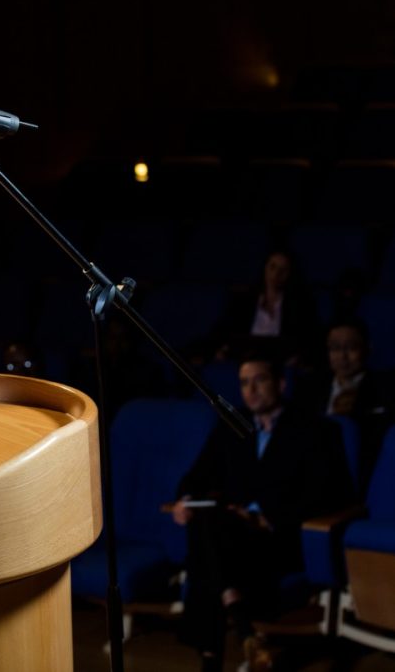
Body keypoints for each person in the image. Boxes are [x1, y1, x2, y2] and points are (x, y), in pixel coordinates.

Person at [170, 351, 354, 672]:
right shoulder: (233, 424)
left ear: (281, 384)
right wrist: (185, 499)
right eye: (243, 383)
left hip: (279, 538)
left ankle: (214, 656)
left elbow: (330, 495)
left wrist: (265, 517)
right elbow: (197, 475)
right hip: (233, 536)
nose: (250, 390)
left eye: (260, 380)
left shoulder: (316, 429)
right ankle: (240, 624)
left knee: (206, 544)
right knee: (209, 524)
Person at [293, 317, 394, 491]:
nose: (342, 356)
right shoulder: (309, 388)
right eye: (335, 348)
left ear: (367, 348)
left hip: (362, 474)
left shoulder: (386, 388)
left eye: (351, 347)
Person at [211, 248, 320, 370]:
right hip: (243, 364)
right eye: (272, 267)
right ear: (265, 268)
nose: (276, 274)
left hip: (280, 367)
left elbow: (305, 341)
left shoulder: (299, 306)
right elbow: (224, 332)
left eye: (283, 269)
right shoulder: (243, 302)